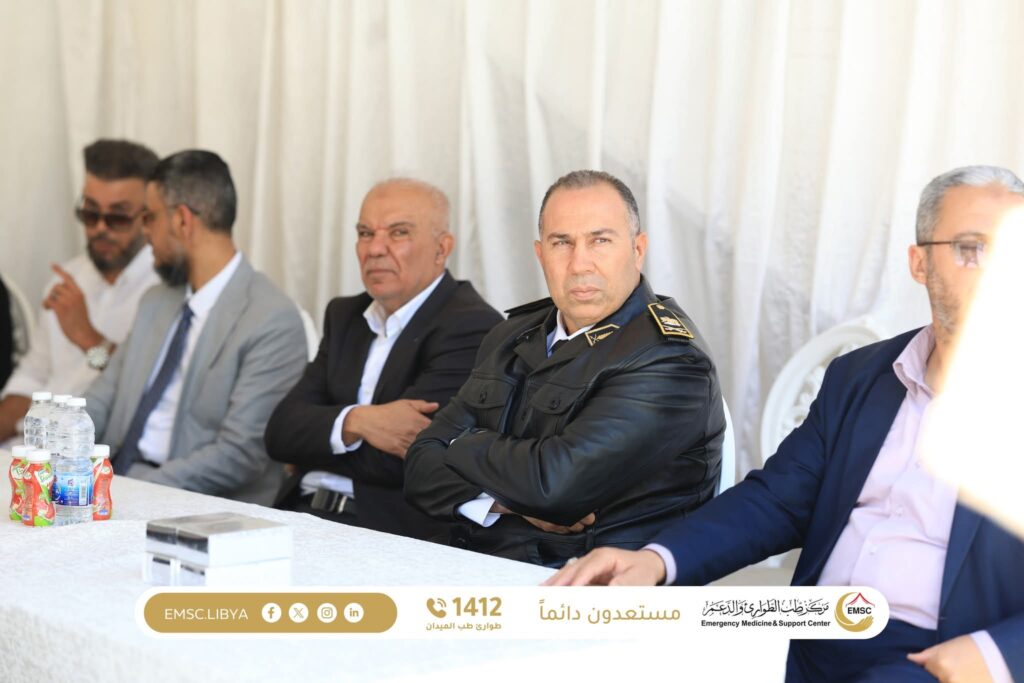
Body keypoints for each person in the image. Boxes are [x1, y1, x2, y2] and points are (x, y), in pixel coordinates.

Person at [547, 166, 1024, 683]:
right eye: (971, 248)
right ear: (919, 262)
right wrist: (657, 561)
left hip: (938, 658)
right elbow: (776, 501)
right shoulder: (860, 376)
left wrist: (997, 654)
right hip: (805, 633)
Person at [403, 169, 724, 566]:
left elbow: (553, 490)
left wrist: (458, 443)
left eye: (600, 240)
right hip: (474, 563)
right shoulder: (510, 335)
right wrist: (506, 503)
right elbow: (418, 466)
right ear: (541, 254)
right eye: (562, 243)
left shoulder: (670, 359)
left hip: (591, 582)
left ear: (638, 249)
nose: (579, 264)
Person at [265, 178, 502, 540]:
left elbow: (413, 460)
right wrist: (358, 422)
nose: (375, 249)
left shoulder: (470, 325)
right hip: (298, 512)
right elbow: (279, 432)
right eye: (365, 233)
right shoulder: (344, 316)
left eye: (398, 232)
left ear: (442, 249)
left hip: (381, 532)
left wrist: (317, 440)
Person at [84, 150, 307, 504]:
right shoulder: (155, 301)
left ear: (182, 221)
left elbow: (240, 454)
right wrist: (57, 444)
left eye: (150, 217)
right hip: (113, 484)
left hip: (193, 504)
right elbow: (101, 398)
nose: (146, 232)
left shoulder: (271, 320)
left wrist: (134, 490)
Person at [0, 139, 160, 441]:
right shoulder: (69, 277)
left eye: (117, 217)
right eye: (90, 213)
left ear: (148, 217)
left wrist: (89, 339)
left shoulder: (163, 293)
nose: (100, 228)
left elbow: (144, 396)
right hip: (29, 444)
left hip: (91, 453)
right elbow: (32, 378)